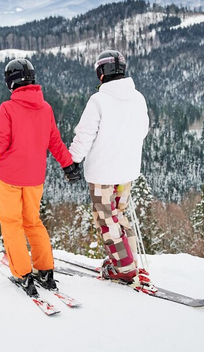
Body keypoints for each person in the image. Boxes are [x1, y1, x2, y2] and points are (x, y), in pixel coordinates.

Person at [0, 58, 81, 296]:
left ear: (10, 82)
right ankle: (45, 270)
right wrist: (68, 165)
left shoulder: (8, 108)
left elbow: (0, 144)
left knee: (12, 225)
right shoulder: (46, 108)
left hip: (8, 177)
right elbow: (55, 142)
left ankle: (23, 274)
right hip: (34, 178)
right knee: (32, 222)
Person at [69, 50, 150, 284]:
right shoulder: (138, 98)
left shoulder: (98, 101)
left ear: (101, 73)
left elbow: (85, 135)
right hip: (127, 171)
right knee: (118, 214)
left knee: (106, 218)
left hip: (102, 173)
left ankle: (123, 267)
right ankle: (128, 260)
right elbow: (142, 131)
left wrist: (73, 160)